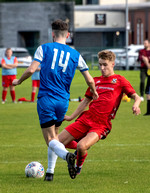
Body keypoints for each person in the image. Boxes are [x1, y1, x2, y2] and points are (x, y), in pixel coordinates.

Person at [12, 19, 98, 181]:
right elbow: (90, 80)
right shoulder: (76, 54)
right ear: (68, 35)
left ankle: (67, 157)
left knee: (50, 139)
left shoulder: (44, 48)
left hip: (46, 98)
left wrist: (19, 81)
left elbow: (31, 69)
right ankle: (50, 174)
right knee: (56, 136)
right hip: (63, 101)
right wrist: (93, 91)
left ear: (52, 34)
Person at [48, 50, 141, 180]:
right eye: (100, 65)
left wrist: (136, 104)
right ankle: (78, 153)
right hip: (86, 119)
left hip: (101, 124)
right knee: (55, 142)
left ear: (113, 64)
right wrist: (70, 117)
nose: (102, 68)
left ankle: (78, 166)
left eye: (105, 65)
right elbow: (85, 102)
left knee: (81, 146)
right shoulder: (95, 81)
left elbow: (137, 97)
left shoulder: (119, 80)